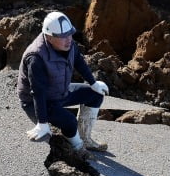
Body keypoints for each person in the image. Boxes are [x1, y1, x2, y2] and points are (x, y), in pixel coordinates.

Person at [17, 10, 110, 155]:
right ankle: (77, 147)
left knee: (95, 95)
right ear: (49, 37)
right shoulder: (36, 57)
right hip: (37, 102)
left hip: (60, 91)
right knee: (69, 120)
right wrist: (42, 123)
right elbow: (38, 92)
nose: (68, 39)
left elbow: (78, 60)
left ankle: (84, 138)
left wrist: (93, 83)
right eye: (62, 37)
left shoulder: (68, 44)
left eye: (70, 34)